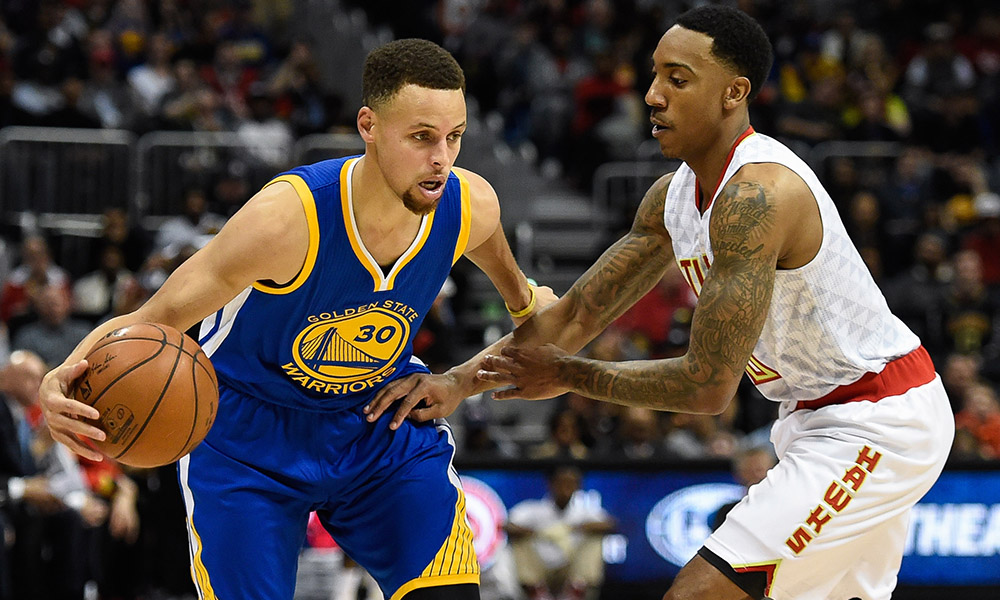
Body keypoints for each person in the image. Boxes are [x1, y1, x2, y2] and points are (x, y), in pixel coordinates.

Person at [366, 7, 955, 600]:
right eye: (654, 76)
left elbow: (708, 386)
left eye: (677, 79)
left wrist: (571, 375)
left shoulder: (758, 196)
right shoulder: (672, 197)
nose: (651, 95)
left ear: (734, 93)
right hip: (812, 417)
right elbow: (574, 317)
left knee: (697, 594)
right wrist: (459, 383)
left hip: (878, 415)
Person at [40, 38, 554, 600]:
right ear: (369, 125)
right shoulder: (287, 219)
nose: (441, 159)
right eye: (421, 137)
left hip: (376, 421)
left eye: (454, 137)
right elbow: (153, 318)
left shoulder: (470, 207)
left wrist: (460, 380)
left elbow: (531, 315)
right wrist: (60, 375)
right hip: (246, 438)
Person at [504, 465, 615, 600]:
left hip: (570, 572)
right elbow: (507, 526)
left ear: (578, 486)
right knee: (520, 540)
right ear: (551, 484)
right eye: (562, 482)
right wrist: (538, 532)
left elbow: (610, 524)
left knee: (594, 539)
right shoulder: (535, 508)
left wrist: (572, 529)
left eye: (571, 483)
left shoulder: (583, 511)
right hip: (541, 571)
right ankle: (535, 591)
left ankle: (576, 590)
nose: (566, 488)